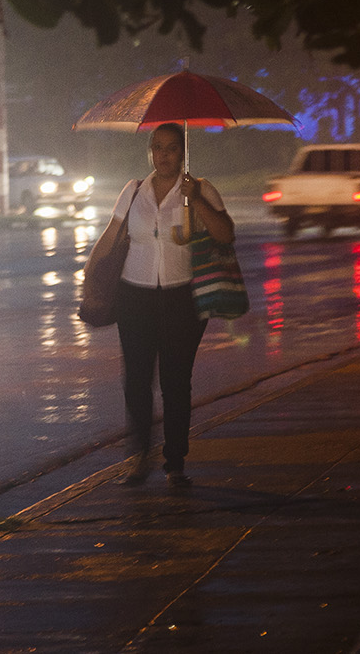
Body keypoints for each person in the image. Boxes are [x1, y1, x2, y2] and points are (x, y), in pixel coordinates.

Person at [105, 122, 235, 488]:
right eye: (158, 148)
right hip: (135, 295)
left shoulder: (201, 189)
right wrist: (91, 273)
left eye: (172, 148)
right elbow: (112, 234)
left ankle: (175, 461)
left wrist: (197, 199)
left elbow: (226, 234)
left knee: (176, 381)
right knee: (137, 381)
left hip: (182, 297)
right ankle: (139, 457)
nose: (164, 155)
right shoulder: (133, 191)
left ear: (182, 152)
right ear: (150, 150)